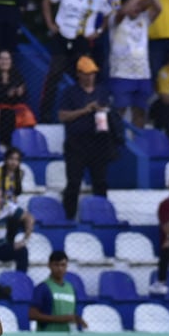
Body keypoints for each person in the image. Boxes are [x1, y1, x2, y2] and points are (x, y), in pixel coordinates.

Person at [40, 0, 112, 123]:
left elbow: (108, 14)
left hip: (81, 39)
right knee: (54, 73)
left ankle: (85, 109)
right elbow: (46, 1)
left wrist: (99, 31)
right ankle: (45, 113)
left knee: (85, 73)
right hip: (62, 36)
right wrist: (50, 24)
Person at [58, 56, 113, 220]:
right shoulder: (70, 92)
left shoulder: (102, 91)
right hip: (76, 143)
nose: (90, 77)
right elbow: (62, 116)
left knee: (100, 182)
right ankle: (69, 217)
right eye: (86, 74)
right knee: (74, 182)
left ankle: (101, 217)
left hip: (98, 141)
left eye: (92, 73)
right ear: (79, 74)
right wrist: (85, 110)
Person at [108, 0, 161, 129]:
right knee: (119, 110)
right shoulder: (115, 19)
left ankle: (137, 140)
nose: (137, 8)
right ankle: (117, 139)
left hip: (142, 75)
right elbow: (123, 12)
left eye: (139, 5)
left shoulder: (144, 19)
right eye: (133, 5)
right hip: (121, 74)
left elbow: (159, 8)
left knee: (140, 112)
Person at [29, 251, 87, 332]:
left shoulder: (71, 288)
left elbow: (70, 314)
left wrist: (77, 318)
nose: (60, 268)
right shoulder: (43, 287)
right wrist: (61, 319)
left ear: (67, 266)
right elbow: (32, 314)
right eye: (56, 265)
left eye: (63, 265)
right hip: (48, 335)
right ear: (49, 265)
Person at [0, 50, 28, 147]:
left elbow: (24, 93)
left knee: (26, 114)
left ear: (11, 61)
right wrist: (7, 94)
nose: (4, 62)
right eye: (1, 59)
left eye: (7, 59)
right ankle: (6, 144)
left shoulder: (16, 74)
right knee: (7, 114)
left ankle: (24, 144)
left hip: (14, 105)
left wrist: (20, 92)